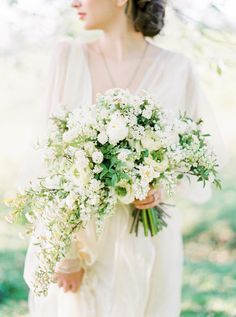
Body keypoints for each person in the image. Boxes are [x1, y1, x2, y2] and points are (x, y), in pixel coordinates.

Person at [21, 0, 226, 316]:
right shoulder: (67, 57)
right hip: (84, 239)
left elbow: (195, 157)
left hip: (149, 237)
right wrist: (64, 255)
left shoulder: (177, 68)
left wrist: (160, 187)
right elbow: (48, 165)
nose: (73, 2)